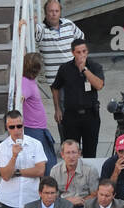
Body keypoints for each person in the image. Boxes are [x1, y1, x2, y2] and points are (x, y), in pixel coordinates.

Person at [33, 0, 84, 135]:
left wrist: (80, 61)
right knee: (62, 112)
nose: (54, 14)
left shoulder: (69, 24)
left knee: (79, 109)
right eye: (51, 11)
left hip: (75, 76)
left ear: (60, 12)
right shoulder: (42, 29)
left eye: (56, 11)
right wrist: (32, 21)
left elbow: (81, 39)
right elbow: (34, 31)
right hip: (57, 81)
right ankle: (66, 143)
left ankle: (77, 143)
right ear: (46, 13)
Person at [0, 110, 48, 208]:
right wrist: (14, 156)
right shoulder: (1, 148)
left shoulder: (36, 144)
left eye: (19, 126)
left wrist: (17, 172)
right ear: (7, 128)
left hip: (31, 197)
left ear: (23, 125)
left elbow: (40, 171)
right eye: (12, 127)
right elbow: (5, 175)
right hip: (10, 199)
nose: (16, 130)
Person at [53, 39, 104, 158]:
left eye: (84, 51)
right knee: (71, 151)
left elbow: (99, 85)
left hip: (90, 114)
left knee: (90, 152)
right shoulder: (65, 69)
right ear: (73, 53)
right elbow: (55, 87)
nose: (82, 55)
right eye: (78, 52)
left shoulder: (95, 66)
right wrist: (57, 109)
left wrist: (85, 70)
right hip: (71, 115)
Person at [21, 52, 59, 165]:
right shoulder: (25, 82)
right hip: (33, 128)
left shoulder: (28, 81)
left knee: (47, 158)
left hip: (37, 126)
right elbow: (21, 97)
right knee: (45, 161)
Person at [49, 138, 100, 208]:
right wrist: (68, 202)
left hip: (85, 207)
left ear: (79, 154)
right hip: (62, 206)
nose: (71, 156)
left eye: (74, 152)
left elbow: (95, 194)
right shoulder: (55, 171)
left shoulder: (90, 170)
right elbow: (51, 196)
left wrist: (81, 201)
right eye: (68, 153)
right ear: (62, 155)